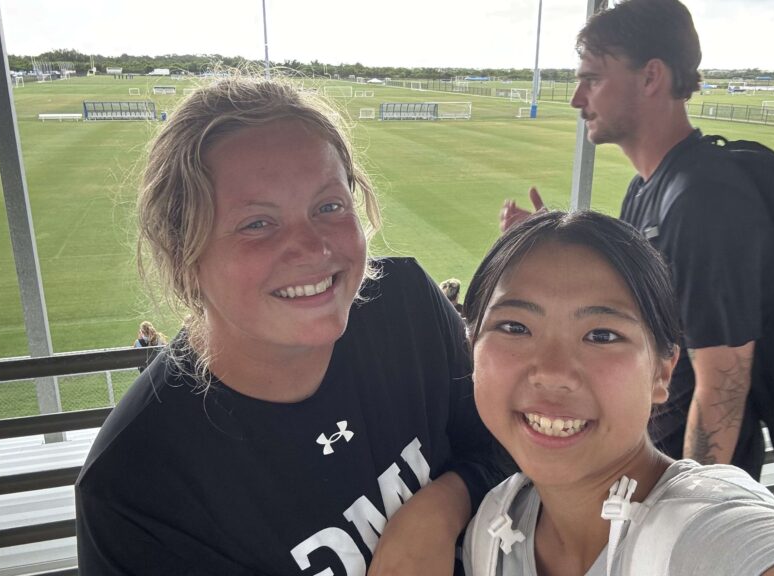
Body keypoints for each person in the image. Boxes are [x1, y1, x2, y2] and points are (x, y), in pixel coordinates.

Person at [76, 75, 503, 575]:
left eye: (329, 206)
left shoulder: (405, 305)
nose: (314, 248)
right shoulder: (134, 488)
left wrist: (440, 508)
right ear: (183, 252)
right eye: (258, 223)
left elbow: (505, 444)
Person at [462, 210, 774, 576]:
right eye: (514, 327)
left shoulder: (708, 532)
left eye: (601, 335)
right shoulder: (493, 524)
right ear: (471, 347)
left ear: (662, 372)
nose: (553, 373)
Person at [499, 0, 771, 478]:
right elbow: (632, 297)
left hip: (678, 477)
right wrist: (550, 242)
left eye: (592, 79)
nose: (577, 99)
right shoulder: (648, 188)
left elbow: (723, 386)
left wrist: (688, 505)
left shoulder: (703, 200)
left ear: (651, 77)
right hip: (647, 461)